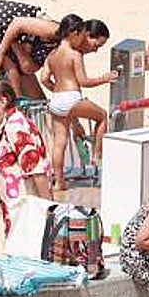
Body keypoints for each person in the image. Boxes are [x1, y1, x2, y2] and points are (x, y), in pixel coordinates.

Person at [39, 15, 116, 191]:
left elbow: (44, 79)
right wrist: (104, 79)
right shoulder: (74, 54)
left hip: (56, 101)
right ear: (74, 33)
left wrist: (57, 89)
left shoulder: (51, 55)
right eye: (81, 35)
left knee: (60, 143)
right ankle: (97, 155)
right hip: (71, 97)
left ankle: (59, 182)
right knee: (102, 116)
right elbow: (83, 81)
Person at [0, 80, 54, 233]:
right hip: (17, 202)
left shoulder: (16, 126)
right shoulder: (11, 122)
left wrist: (50, 208)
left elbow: (35, 168)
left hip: (25, 202)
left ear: (3, 100)